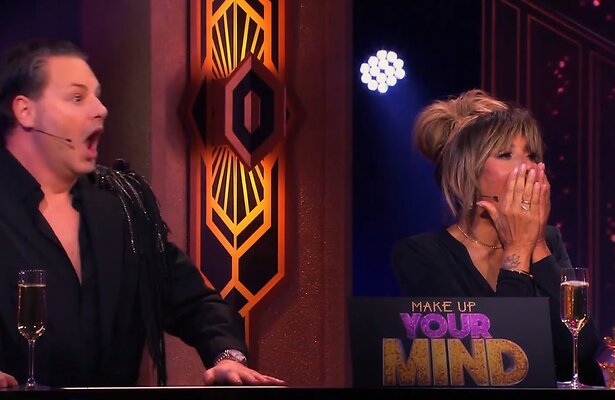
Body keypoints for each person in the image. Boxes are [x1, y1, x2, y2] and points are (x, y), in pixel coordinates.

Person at [0, 39, 284, 388]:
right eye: (76, 97)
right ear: (25, 111)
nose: (100, 109)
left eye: (97, 96)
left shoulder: (122, 206)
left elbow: (196, 302)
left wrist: (227, 356)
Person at [391, 89, 605, 386]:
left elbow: (582, 348)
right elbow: (494, 364)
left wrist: (536, 244)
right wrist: (517, 250)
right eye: (506, 155)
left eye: (532, 155)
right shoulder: (421, 254)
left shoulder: (549, 239)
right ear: (467, 173)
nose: (529, 167)